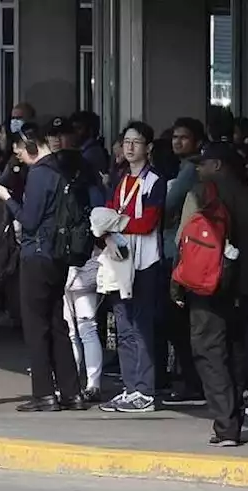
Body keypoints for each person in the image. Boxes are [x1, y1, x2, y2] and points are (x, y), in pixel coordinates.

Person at [175, 141, 248, 446]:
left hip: (207, 288)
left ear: (218, 166)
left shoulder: (200, 195)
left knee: (209, 354)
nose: (199, 169)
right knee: (236, 354)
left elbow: (184, 244)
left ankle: (226, 424)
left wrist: (177, 286)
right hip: (243, 290)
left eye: (203, 164)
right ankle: (234, 420)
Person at [0, 123, 91, 412]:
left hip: (37, 255)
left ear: (32, 147)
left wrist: (8, 199)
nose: (19, 157)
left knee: (36, 326)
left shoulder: (39, 174)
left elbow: (30, 220)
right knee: (58, 324)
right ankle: (72, 393)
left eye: (20, 151)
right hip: (58, 256)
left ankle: (44, 394)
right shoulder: (61, 170)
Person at [99, 120, 167, 414]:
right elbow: (107, 216)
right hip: (120, 260)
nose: (129, 146)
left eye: (136, 142)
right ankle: (130, 387)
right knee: (123, 326)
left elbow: (148, 222)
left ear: (148, 148)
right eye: (126, 141)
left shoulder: (155, 181)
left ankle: (145, 391)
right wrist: (110, 229)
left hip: (146, 262)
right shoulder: (121, 179)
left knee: (142, 327)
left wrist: (116, 223)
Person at [160, 117, 208, 405]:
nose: (178, 142)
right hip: (178, 250)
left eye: (184, 137)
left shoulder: (191, 169)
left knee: (179, 321)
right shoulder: (181, 167)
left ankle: (191, 381)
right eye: (175, 137)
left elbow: (167, 205)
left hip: (179, 253)